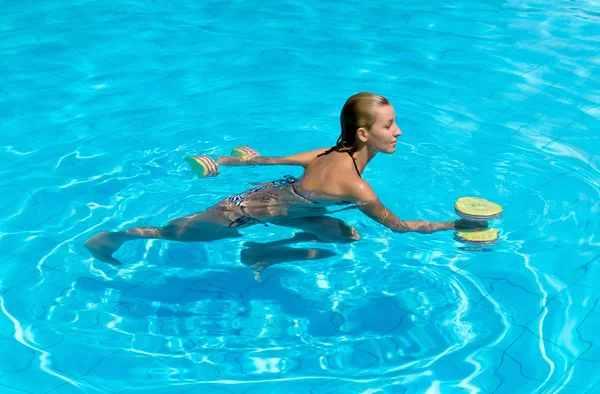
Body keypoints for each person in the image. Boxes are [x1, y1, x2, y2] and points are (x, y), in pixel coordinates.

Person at [84, 92, 483, 266]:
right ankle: (117, 237)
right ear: (364, 135)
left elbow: (268, 161)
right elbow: (398, 227)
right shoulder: (355, 186)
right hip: (246, 212)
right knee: (179, 233)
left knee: (343, 235)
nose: (398, 132)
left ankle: (263, 254)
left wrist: (226, 161)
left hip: (278, 202)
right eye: (390, 125)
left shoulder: (330, 151)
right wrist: (455, 226)